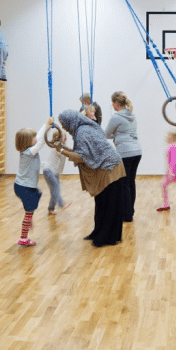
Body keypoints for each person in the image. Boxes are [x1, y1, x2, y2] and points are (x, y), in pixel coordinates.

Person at [56, 109, 126, 247]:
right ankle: (98, 232)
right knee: (101, 202)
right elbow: (82, 152)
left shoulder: (82, 132)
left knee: (108, 204)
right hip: (107, 167)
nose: (63, 127)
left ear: (70, 121)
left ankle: (106, 237)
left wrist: (61, 151)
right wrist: (63, 148)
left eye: (64, 124)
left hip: (110, 168)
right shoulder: (84, 128)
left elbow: (82, 157)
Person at [105, 91, 141, 222]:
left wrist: (117, 135)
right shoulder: (132, 114)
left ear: (115, 104)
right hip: (137, 151)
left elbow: (106, 134)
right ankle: (130, 211)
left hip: (125, 153)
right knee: (131, 182)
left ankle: (127, 215)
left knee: (124, 184)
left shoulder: (115, 117)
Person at [13, 125, 46, 247]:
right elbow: (41, 142)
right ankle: (23, 238)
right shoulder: (29, 153)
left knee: (38, 194)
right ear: (27, 141)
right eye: (33, 137)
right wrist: (47, 125)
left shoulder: (28, 151)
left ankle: (28, 218)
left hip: (25, 186)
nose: (35, 138)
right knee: (29, 212)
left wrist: (45, 125)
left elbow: (39, 137)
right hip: (24, 187)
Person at [41, 126, 71, 216]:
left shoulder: (63, 147)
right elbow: (66, 151)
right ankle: (60, 205)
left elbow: (69, 151)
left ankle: (52, 208)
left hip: (56, 172)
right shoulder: (57, 146)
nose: (65, 137)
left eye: (65, 136)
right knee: (56, 190)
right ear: (58, 138)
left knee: (55, 191)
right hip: (49, 170)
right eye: (63, 135)